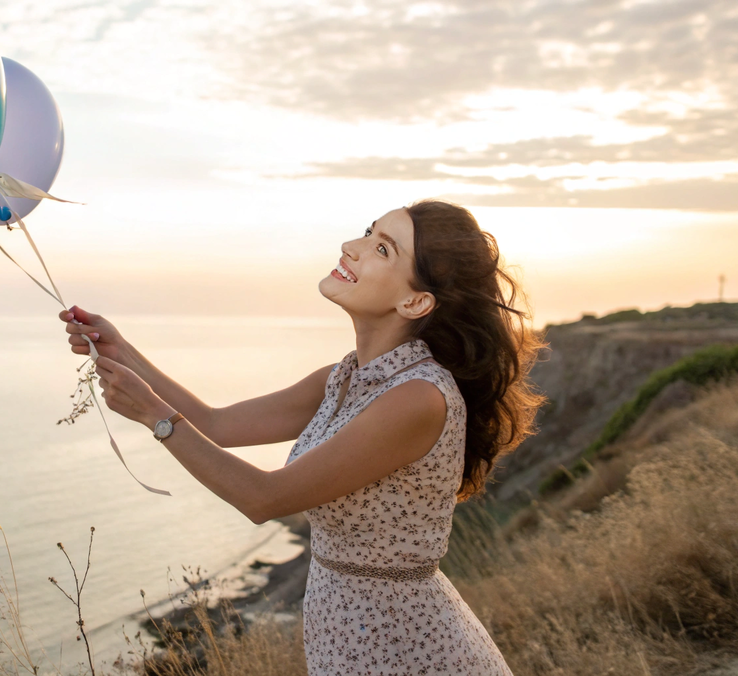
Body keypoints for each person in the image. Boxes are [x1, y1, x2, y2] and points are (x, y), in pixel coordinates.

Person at [58, 198, 544, 675]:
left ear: (414, 301)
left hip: (405, 646)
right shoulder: (344, 378)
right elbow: (217, 424)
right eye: (368, 231)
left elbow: (264, 498)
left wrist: (154, 416)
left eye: (382, 249)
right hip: (348, 634)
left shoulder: (418, 397)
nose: (351, 246)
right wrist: (121, 351)